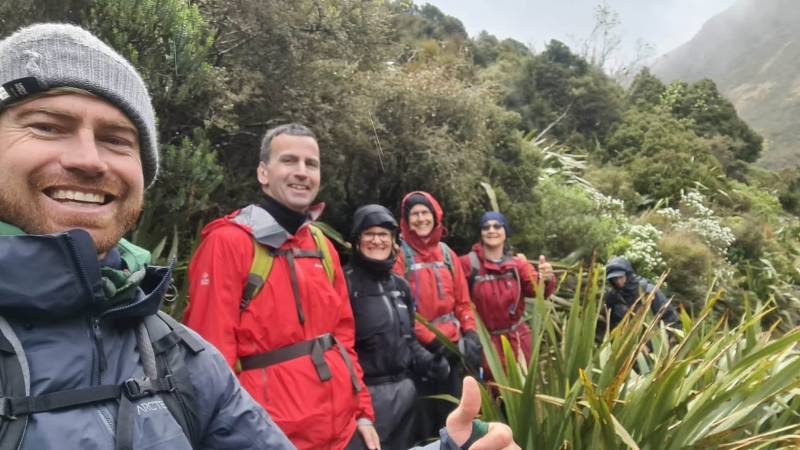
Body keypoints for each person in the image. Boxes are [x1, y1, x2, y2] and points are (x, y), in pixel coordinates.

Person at [0, 23, 517, 450]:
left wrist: (362, 413)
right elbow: (216, 349)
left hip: (337, 429)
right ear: (262, 174)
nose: (301, 171)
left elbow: (342, 339)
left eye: (311, 163)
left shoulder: (320, 248)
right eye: (47, 126)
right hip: (280, 427)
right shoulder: (228, 242)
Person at [0, 23, 293, 449]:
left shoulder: (179, 357)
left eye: (116, 140)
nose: (89, 160)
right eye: (47, 126)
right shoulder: (228, 245)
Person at [345, 205, 451, 450]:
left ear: (393, 240)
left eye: (384, 234)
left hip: (406, 394)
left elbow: (407, 339)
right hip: (366, 400)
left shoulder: (400, 286)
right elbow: (339, 350)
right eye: (369, 233)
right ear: (356, 239)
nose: (377, 240)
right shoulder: (345, 284)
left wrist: (430, 361)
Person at [393, 191, 481, 440]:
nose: (421, 219)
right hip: (420, 354)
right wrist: (433, 343)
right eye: (414, 214)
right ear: (406, 221)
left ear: (435, 216)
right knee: (425, 420)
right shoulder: (400, 256)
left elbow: (463, 302)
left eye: (425, 213)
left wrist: (471, 333)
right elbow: (401, 312)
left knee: (454, 417)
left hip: (453, 351)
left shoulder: (446, 254)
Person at [459, 212, 556, 369]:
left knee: (519, 391)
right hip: (484, 346)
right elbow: (458, 301)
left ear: (506, 232)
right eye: (486, 227)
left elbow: (538, 291)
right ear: (480, 233)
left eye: (497, 226)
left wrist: (547, 278)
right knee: (489, 391)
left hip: (517, 344)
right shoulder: (467, 264)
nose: (491, 230)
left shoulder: (518, 266)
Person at [604, 256, 679, 331]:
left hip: (650, 338)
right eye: (614, 279)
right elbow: (609, 324)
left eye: (621, 277)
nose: (618, 282)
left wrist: (656, 338)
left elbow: (670, 318)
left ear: (628, 274)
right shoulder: (612, 297)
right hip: (622, 340)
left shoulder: (648, 291)